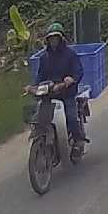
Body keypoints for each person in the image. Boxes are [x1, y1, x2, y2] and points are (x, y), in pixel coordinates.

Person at [27, 22, 85, 151]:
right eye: (51, 38)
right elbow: (40, 76)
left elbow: (78, 71)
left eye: (56, 37)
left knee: (71, 117)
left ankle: (78, 140)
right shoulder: (44, 57)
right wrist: (32, 87)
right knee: (38, 118)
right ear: (47, 40)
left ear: (61, 38)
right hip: (49, 94)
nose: (53, 40)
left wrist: (70, 79)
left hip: (67, 93)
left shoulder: (70, 54)